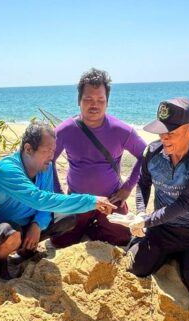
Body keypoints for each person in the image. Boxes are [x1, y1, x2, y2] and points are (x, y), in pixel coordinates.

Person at [0, 122, 117, 279]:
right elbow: (40, 199)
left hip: (22, 227)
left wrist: (37, 225)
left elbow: (47, 201)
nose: (51, 156)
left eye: (53, 151)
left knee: (68, 217)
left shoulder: (44, 167)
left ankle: (25, 250)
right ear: (28, 149)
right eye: (46, 151)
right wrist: (91, 201)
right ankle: (2, 263)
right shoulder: (7, 169)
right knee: (11, 232)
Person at [128, 98, 189, 297]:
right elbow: (142, 184)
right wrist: (141, 214)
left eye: (171, 133)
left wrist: (147, 220)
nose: (164, 138)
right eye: (161, 132)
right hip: (162, 228)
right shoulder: (152, 152)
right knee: (136, 269)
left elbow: (185, 203)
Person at [49, 68, 146, 248]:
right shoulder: (64, 130)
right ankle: (89, 226)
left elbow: (146, 155)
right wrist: (59, 194)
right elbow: (48, 160)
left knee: (122, 239)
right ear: (79, 101)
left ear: (107, 102)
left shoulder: (121, 130)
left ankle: (94, 227)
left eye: (100, 100)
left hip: (111, 199)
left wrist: (127, 188)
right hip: (77, 200)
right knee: (59, 241)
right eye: (88, 99)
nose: (94, 105)